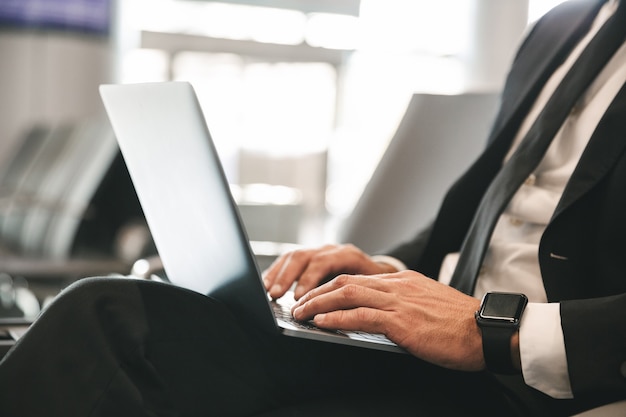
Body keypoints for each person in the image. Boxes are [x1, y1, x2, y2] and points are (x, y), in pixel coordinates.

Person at [2, 0, 626, 415]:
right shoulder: (561, 27)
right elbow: (481, 216)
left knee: (108, 321)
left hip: (533, 378)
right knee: (117, 315)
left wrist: (502, 332)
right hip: (437, 347)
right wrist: (379, 269)